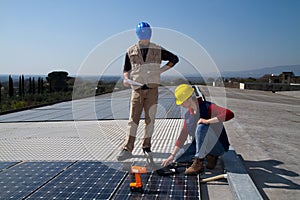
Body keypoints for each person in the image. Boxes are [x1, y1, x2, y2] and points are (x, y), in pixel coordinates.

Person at [117, 22, 179, 161]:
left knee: (150, 120)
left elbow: (174, 59)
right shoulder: (131, 51)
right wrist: (126, 78)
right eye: (142, 33)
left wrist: (161, 70)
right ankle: (127, 148)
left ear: (149, 34)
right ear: (139, 34)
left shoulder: (157, 49)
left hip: (152, 90)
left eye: (146, 33)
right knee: (133, 120)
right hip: (137, 90)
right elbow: (126, 69)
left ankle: (146, 147)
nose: (144, 36)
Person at [161, 84, 234, 175]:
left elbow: (229, 113)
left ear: (189, 98)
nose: (181, 104)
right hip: (202, 146)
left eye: (182, 102)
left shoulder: (207, 107)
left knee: (201, 126)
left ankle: (199, 162)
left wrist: (208, 121)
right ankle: (209, 157)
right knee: (179, 157)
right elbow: (182, 136)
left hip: (217, 146)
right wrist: (172, 156)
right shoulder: (188, 115)